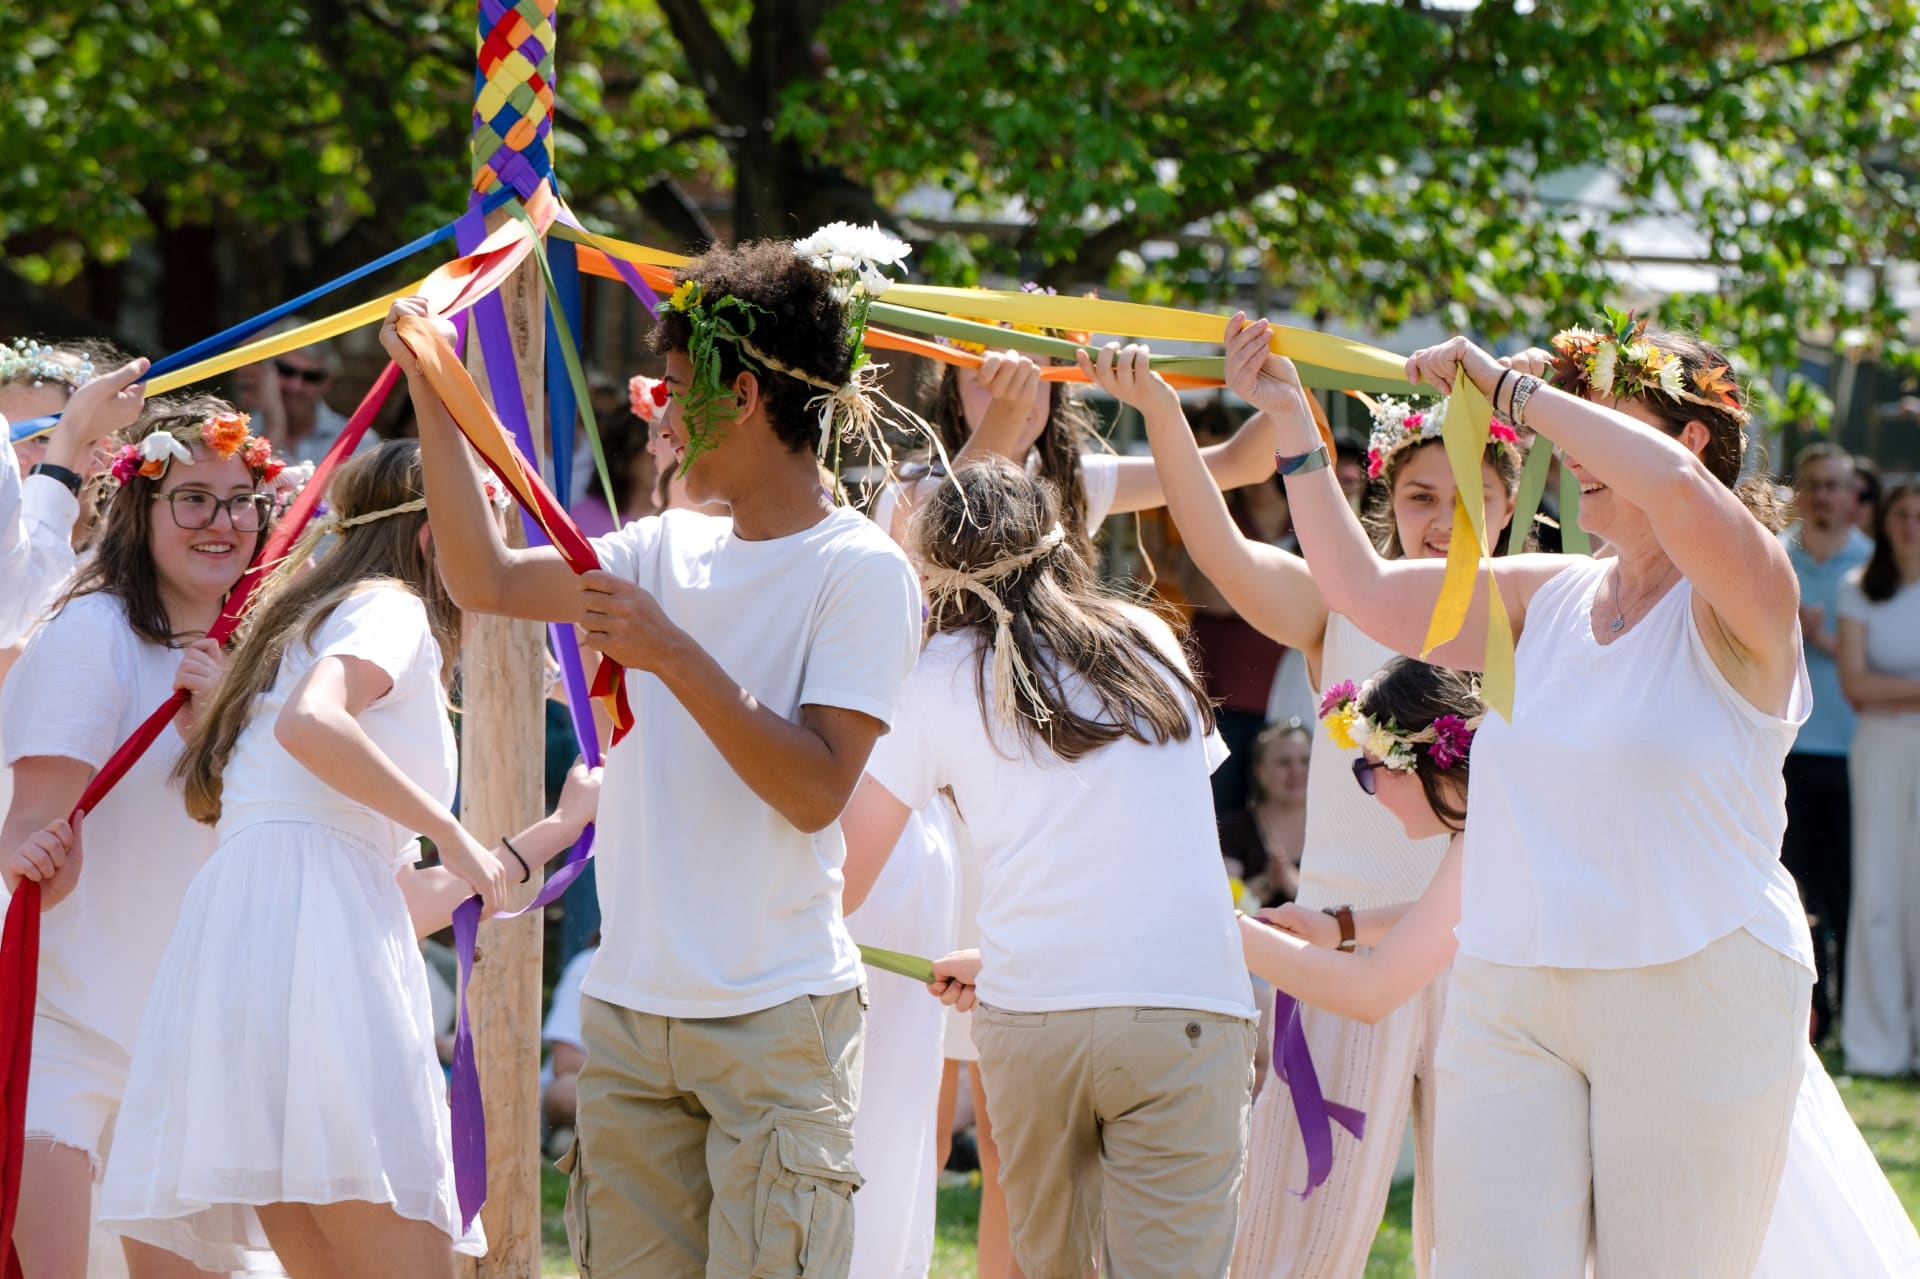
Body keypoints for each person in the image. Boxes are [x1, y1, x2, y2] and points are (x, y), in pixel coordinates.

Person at [1221, 309, 1812, 1277]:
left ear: (1691, 436)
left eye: (1596, 416)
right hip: (1518, 985)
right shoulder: (1555, 593)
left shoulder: (1749, 595)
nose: (1564, 443)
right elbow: (1367, 593)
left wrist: (1514, 392)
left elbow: (1670, 487)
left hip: (1696, 979)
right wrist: (1291, 423)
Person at [384, 228, 924, 1279]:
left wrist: (672, 651)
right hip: (631, 1018)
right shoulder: (661, 548)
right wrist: (431, 387)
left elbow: (815, 791)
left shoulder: (860, 570)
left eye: (678, 386)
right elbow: (483, 577)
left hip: (777, 1020)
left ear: (748, 397)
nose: (661, 410)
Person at [93, 440, 600, 1277]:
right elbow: (312, 723)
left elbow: (395, 896)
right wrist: (458, 829)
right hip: (319, 979)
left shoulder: (306, 631)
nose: (503, 554)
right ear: (437, 536)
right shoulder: (389, 608)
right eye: (492, 525)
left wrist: (554, 827)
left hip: (265, 971)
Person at [1240, 656, 1920, 1279]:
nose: (1369, 793)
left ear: (1423, 759)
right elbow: (1459, 905)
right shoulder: (1514, 808)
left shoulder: (1499, 824)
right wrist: (1340, 926)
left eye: (1368, 770)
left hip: (1667, 1067)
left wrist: (1225, 932)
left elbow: (1372, 988)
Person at [1099, 343, 1521, 1278]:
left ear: (1508, 504)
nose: (1444, 520)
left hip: (1486, 957)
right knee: (1296, 1220)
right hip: (1336, 948)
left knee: (1487, 1229)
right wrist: (1167, 415)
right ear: (1385, 500)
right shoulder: (1342, 605)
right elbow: (1218, 548)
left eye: (1469, 496)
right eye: (1421, 497)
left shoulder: (1539, 621)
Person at [844, 457, 1258, 1279]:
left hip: (1038, 1017)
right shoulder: (1145, 639)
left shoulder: (933, 676)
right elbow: (1153, 842)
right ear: (1056, 538)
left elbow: (843, 874)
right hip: (1183, 1002)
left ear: (934, 563)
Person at [0, 396, 274, 1279]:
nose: (221, 521)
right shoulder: (93, 633)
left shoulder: (265, 656)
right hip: (68, 1028)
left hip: (194, 1037)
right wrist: (48, 859)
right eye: (192, 497)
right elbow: (29, 836)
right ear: (140, 509)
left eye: (240, 499)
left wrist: (217, 723)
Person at [1779, 441, 1873, 1042]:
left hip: (1854, 749)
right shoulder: (1774, 556)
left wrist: (1832, 639)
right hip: (1786, 750)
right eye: (1812, 483)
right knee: (1792, 886)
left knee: (1847, 889)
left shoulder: (1875, 563)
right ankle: (1802, 1015)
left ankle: (1843, 1012)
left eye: (1835, 485)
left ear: (1853, 496)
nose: (1823, 496)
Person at [1836, 478, 1920, 1077]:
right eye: (1902, 515)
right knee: (1879, 894)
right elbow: (1856, 687)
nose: (1911, 526)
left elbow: (1875, 684)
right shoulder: (1858, 588)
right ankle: (1878, 1045)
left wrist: (1895, 693)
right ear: (1885, 522)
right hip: (1880, 750)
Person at [241, 322, 363, 466]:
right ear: (266, 372)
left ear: (327, 382)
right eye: (286, 371)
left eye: (311, 377)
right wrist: (273, 432)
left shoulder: (357, 441)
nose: (295, 386)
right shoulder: (239, 438)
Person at [1218, 721, 1311, 906]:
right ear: (1260, 771)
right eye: (1283, 762)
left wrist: (1293, 884)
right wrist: (1268, 882)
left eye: (1305, 761)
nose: (1296, 771)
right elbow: (1223, 905)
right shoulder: (1233, 830)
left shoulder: (1334, 829)